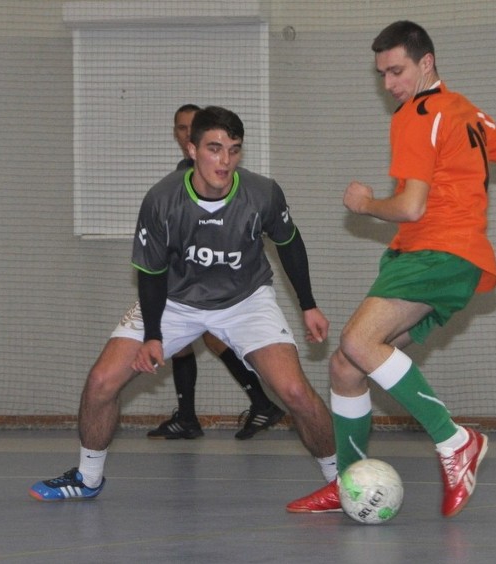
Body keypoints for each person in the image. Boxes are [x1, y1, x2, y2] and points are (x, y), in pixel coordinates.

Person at [286, 21, 496, 517]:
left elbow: (413, 207)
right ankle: (347, 479)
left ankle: (454, 440)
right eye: (381, 75)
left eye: (397, 71)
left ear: (427, 63)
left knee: (357, 341)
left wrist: (367, 202)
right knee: (345, 367)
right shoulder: (464, 110)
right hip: (448, 260)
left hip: (435, 252)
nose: (389, 84)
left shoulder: (417, 115)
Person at [30, 106, 337, 501]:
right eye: (214, 148)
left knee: (294, 392)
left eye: (234, 150)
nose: (224, 161)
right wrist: (153, 335)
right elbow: (152, 273)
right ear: (192, 149)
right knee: (101, 382)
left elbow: (289, 243)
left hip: (245, 301)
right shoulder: (162, 200)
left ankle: (341, 482)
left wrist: (308, 304)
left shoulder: (262, 194)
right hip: (175, 301)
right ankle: (87, 478)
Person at [148, 103, 285, 441]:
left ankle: (251, 403)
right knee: (188, 341)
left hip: (223, 285)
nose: (184, 134)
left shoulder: (224, 179)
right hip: (188, 285)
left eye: (190, 128)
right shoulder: (178, 180)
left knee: (206, 338)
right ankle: (194, 414)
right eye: (179, 128)